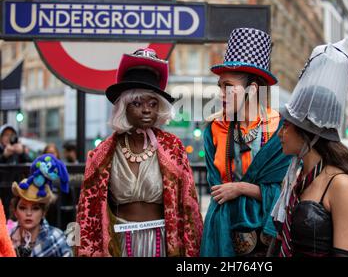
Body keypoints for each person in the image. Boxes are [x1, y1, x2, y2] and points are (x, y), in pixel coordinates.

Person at [75, 47, 203, 257]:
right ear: (123, 107)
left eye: (153, 104)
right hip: (119, 244)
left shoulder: (173, 147)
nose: (146, 110)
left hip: (161, 243)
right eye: (137, 103)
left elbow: (189, 208)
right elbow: (87, 212)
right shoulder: (102, 154)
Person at [270, 39, 348, 257]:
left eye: (286, 126)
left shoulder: (340, 185)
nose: (280, 133)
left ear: (308, 132)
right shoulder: (297, 177)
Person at [201, 28, 291, 257]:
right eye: (220, 86)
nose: (221, 93)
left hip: (267, 240)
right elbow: (217, 189)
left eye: (228, 86)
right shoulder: (214, 129)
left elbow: (286, 191)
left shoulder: (280, 128)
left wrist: (240, 188)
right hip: (224, 236)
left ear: (252, 90)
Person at [9, 154, 72, 257]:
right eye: (22, 207)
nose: (28, 213)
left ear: (43, 212)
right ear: (15, 211)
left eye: (35, 208)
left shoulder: (56, 238)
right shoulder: (6, 237)